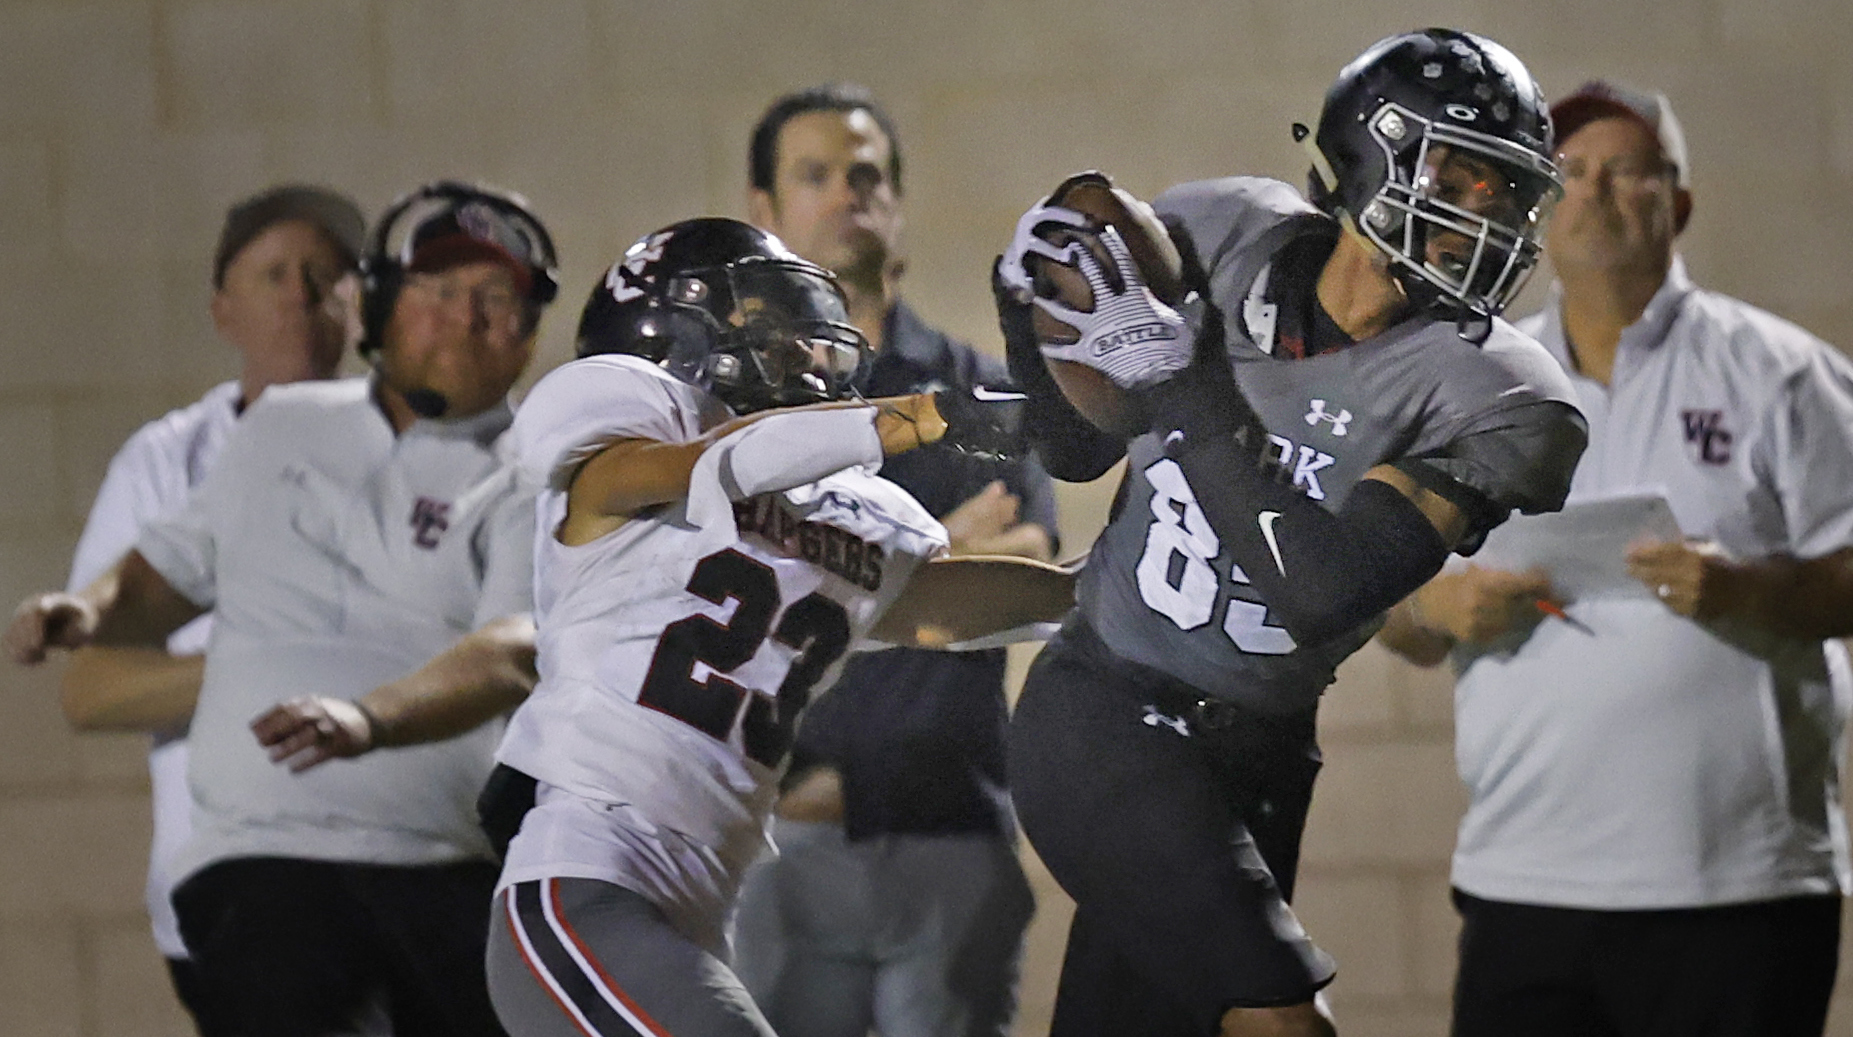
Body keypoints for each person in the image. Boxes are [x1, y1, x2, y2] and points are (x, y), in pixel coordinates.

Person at [993, 29, 1588, 1037]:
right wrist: (1032, 318)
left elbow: (1320, 589)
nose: (1481, 212)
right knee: (1280, 1020)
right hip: (1105, 706)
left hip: (1261, 749)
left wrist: (1184, 386)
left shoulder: (1504, 395)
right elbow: (1076, 453)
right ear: (1368, 153)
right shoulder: (1221, 232)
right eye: (1462, 173)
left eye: (1505, 191)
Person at [470, 217, 1073, 1037]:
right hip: (584, 888)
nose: (798, 347)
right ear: (671, 335)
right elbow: (703, 467)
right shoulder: (625, 443)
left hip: (692, 914)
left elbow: (930, 607)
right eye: (761, 323)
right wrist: (916, 418)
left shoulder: (833, 500)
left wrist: (1094, 591)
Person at [5, 180, 560, 1037]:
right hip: (265, 855)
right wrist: (85, 609)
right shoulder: (279, 427)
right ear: (379, 303)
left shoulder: (534, 465)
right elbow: (160, 579)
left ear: (526, 334)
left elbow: (513, 644)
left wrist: (366, 718)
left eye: (495, 298)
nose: (464, 316)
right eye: (440, 290)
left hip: (445, 862)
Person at [1375, 81, 1853, 1037]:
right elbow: (1381, 598)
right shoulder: (1470, 382)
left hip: (1737, 885)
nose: (1593, 193)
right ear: (1536, 206)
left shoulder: (1781, 372)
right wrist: (1436, 610)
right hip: (1528, 882)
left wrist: (1748, 589)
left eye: (1626, 170)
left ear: (1676, 203)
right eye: (1571, 173)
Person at [731, 83, 1055, 1037]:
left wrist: (831, 560)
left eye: (865, 173)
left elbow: (1025, 565)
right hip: (781, 842)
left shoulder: (980, 388)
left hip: (948, 834)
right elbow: (742, 579)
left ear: (897, 199)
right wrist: (941, 545)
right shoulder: (741, 418)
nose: (845, 194)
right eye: (814, 175)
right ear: (765, 212)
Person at [32, 183, 363, 1035]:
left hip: (386, 873)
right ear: (222, 310)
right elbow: (95, 689)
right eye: (274, 274)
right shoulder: (169, 461)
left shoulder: (410, 451)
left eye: (324, 274)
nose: (300, 293)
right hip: (231, 889)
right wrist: (296, 673)